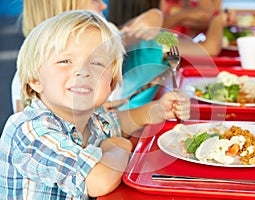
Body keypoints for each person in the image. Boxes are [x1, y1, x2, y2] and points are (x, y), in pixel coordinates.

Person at [0, 10, 190, 199]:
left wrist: (156, 110)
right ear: (35, 80)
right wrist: (118, 146)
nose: (83, 71)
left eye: (97, 63)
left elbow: (117, 123)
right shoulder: (30, 131)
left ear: (112, 83)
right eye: (65, 61)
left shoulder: (91, 118)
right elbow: (98, 181)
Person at [11, 0, 164, 113]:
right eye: (94, 0)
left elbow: (127, 33)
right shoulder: (30, 75)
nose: (103, 5)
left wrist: (155, 15)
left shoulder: (100, 44)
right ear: (67, 8)